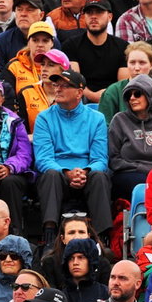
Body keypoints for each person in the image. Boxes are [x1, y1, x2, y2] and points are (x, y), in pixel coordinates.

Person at [33, 68, 112, 239]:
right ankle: (49, 236)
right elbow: (43, 158)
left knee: (100, 176)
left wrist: (86, 171)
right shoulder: (44, 118)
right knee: (51, 175)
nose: (58, 89)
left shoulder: (96, 118)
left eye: (65, 86)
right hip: (59, 173)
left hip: (87, 173)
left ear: (79, 93)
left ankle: (102, 239)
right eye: (56, 85)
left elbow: (100, 158)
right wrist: (66, 173)